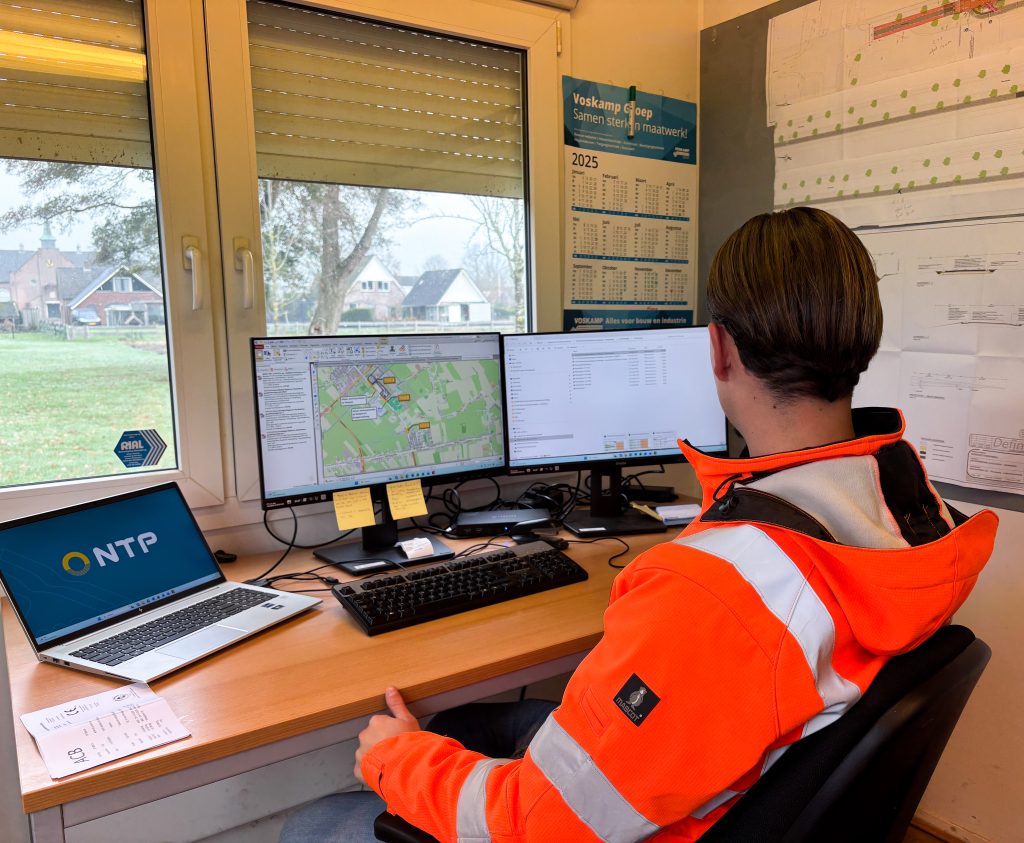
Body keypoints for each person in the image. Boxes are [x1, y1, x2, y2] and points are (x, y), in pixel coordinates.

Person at [280, 207, 997, 843]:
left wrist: (393, 759)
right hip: (733, 777)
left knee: (313, 823)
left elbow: (534, 824)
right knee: (466, 727)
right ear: (863, 342)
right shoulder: (910, 509)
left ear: (718, 350)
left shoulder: (713, 588)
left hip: (659, 817)